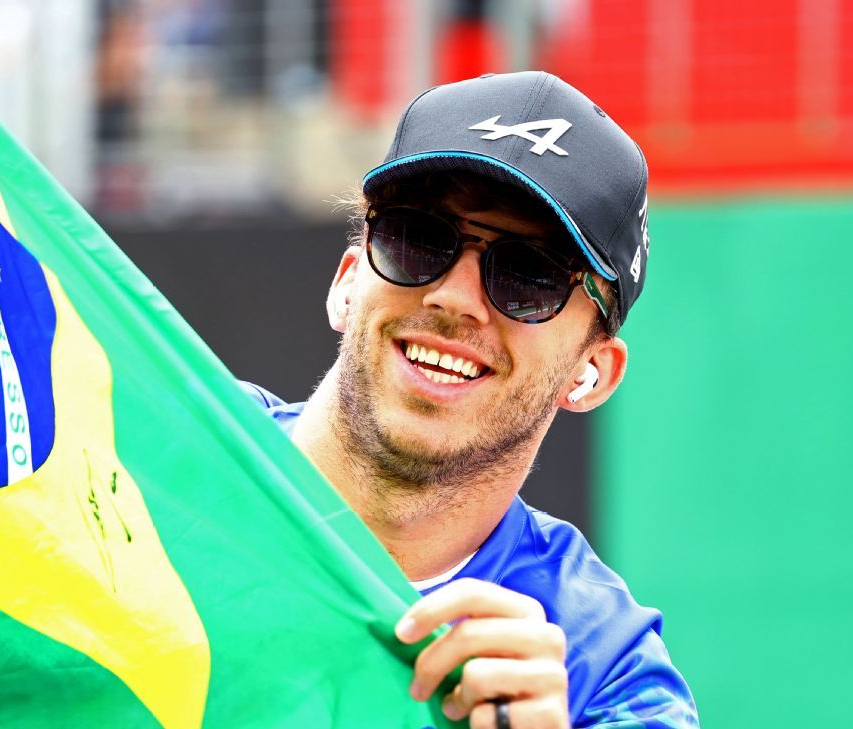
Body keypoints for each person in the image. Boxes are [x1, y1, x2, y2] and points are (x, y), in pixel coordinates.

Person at [243, 72, 698, 728]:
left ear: (591, 372)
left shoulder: (603, 676)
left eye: (529, 276)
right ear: (348, 281)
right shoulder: (143, 447)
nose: (455, 298)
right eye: (417, 237)